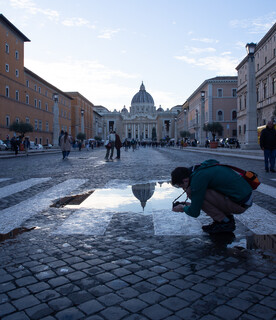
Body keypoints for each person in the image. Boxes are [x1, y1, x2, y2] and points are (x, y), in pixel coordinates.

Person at [171, 159, 253, 234]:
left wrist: (182, 207)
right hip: (243, 199)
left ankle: (224, 222)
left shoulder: (198, 179)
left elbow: (194, 212)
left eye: (181, 186)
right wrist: (190, 205)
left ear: (185, 180)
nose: (183, 188)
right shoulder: (200, 170)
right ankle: (226, 218)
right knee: (199, 194)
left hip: (240, 204)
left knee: (193, 193)